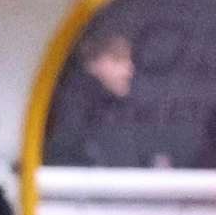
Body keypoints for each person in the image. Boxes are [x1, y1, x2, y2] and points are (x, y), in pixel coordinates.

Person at [45, 31, 147, 167]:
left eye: (130, 60)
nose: (130, 69)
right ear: (91, 63)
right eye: (118, 59)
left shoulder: (118, 109)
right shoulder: (73, 107)